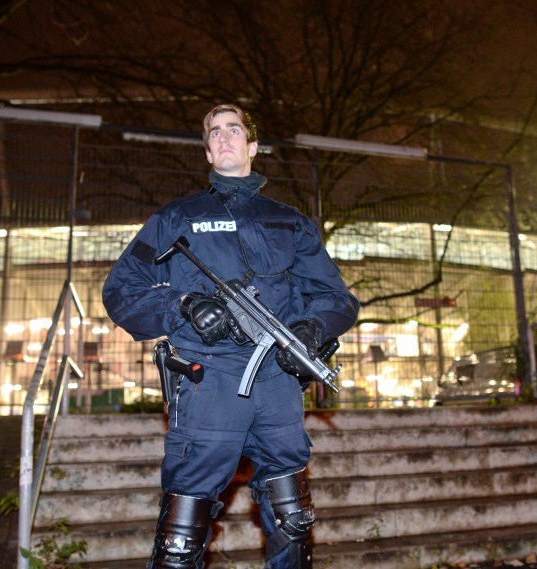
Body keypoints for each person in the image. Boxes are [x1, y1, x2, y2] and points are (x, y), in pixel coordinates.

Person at [102, 104, 359, 569]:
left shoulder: (288, 221)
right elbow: (122, 291)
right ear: (207, 152)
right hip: (209, 381)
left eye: (233, 129)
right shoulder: (176, 218)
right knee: (182, 533)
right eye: (214, 132)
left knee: (293, 516)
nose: (223, 137)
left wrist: (311, 330)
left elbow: (337, 298)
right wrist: (183, 306)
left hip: (277, 381)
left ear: (252, 146)